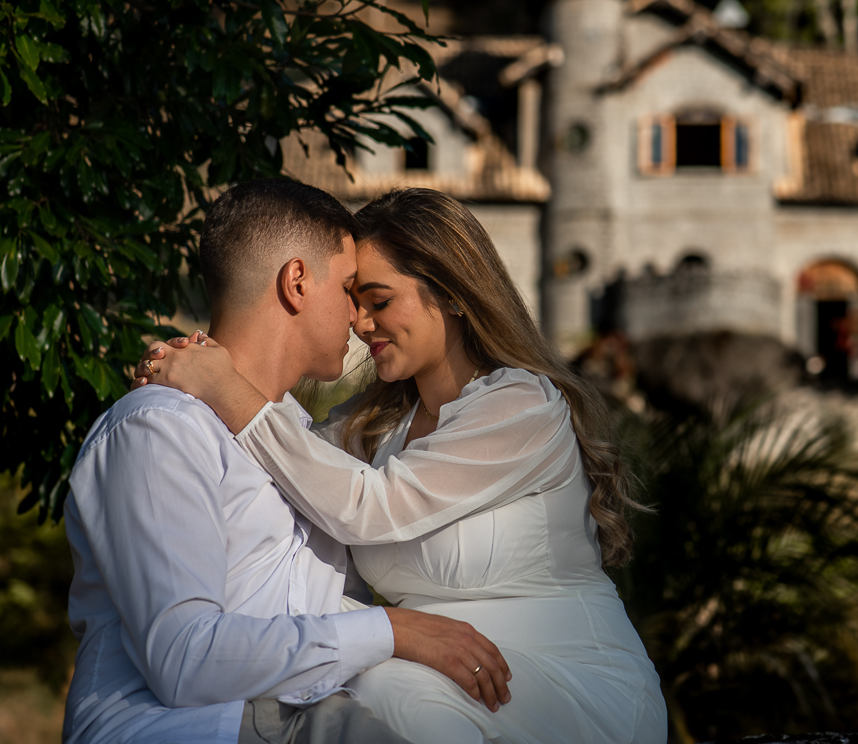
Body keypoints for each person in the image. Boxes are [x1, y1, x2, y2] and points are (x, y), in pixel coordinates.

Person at [137, 187, 667, 743]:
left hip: (572, 688)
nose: (360, 323)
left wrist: (223, 384)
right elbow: (283, 467)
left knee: (382, 694)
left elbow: (370, 507)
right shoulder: (371, 429)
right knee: (364, 691)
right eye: (352, 299)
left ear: (454, 295)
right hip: (442, 677)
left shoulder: (522, 406)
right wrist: (184, 377)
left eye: (379, 300)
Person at [63, 180, 510, 744]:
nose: (357, 318)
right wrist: (391, 630)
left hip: (302, 716)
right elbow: (183, 657)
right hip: (187, 728)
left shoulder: (312, 449)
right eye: (350, 289)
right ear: (297, 282)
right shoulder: (163, 429)